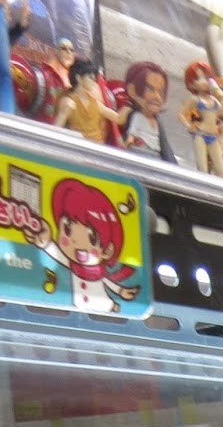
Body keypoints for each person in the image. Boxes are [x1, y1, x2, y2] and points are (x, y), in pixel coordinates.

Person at [24, 176, 139, 315]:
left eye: (92, 238)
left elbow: (105, 281)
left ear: (108, 251)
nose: (75, 241)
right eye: (67, 229)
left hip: (103, 306)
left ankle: (112, 306)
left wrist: (121, 291)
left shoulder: (97, 271)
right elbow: (59, 255)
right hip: (78, 305)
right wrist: (46, 243)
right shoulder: (74, 265)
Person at [55, 58, 128, 145]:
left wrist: (131, 102)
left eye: (94, 79)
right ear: (79, 78)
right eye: (90, 78)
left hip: (97, 148)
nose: (94, 82)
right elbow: (56, 131)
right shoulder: (68, 103)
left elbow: (119, 119)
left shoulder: (96, 104)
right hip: (78, 147)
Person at [122, 61, 177, 163]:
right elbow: (130, 134)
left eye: (161, 92)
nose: (157, 97)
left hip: (155, 158)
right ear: (132, 91)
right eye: (149, 89)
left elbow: (165, 148)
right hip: (138, 155)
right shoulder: (135, 116)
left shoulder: (157, 121)